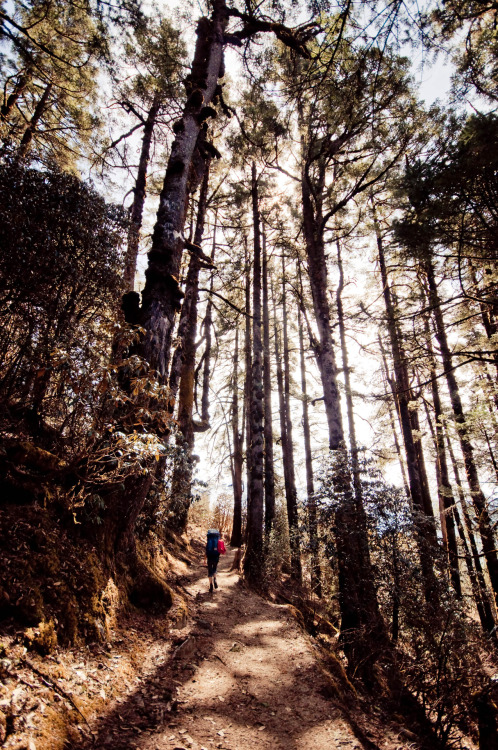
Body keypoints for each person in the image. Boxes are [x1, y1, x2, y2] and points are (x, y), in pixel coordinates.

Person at [205, 528, 220, 593]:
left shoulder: (208, 543)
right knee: (214, 569)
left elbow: (206, 552)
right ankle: (215, 579)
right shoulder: (217, 541)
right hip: (216, 557)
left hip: (210, 557)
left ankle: (211, 585)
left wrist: (204, 560)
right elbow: (220, 550)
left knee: (209, 570)